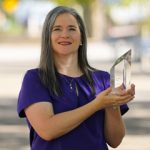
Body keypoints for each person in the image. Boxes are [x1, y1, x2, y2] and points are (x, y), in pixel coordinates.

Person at [17, 6, 135, 150]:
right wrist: (97, 104)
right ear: (48, 37)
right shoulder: (35, 79)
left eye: (72, 29)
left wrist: (113, 103)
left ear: (81, 38)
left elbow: (115, 140)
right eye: (57, 29)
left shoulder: (103, 79)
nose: (65, 34)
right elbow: (48, 130)